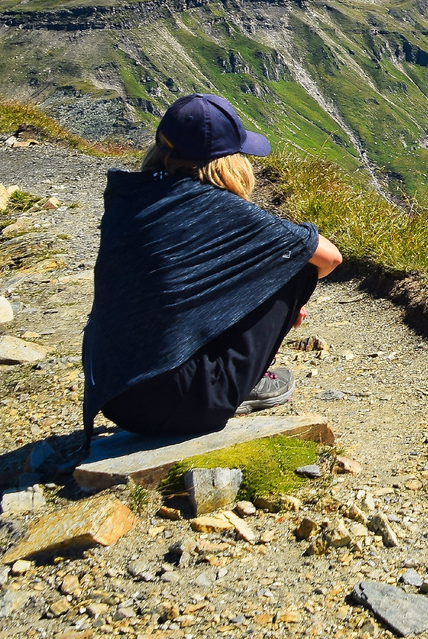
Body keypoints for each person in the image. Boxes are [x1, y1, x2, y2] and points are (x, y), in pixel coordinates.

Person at [82, 94, 342, 438]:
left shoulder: (127, 198)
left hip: (113, 394)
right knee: (295, 267)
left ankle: (216, 370)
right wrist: (282, 293)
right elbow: (330, 257)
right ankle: (238, 382)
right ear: (226, 162)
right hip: (182, 404)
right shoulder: (221, 209)